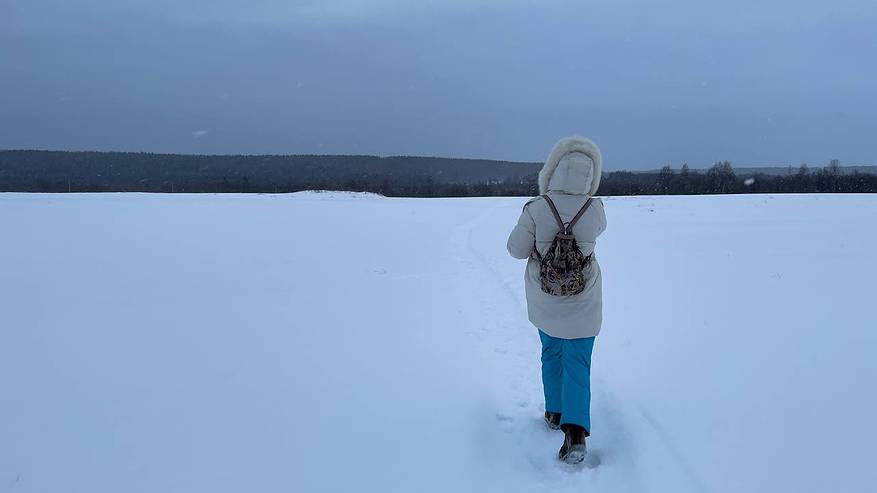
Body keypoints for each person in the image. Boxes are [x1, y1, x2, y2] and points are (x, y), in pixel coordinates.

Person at [506, 136, 607, 464]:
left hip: (545, 298)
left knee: (551, 353)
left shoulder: (537, 208)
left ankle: (554, 411)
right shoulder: (595, 209)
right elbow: (597, 232)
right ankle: (575, 433)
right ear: (591, 174)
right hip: (584, 299)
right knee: (578, 362)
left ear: (552, 170)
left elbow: (515, 250)